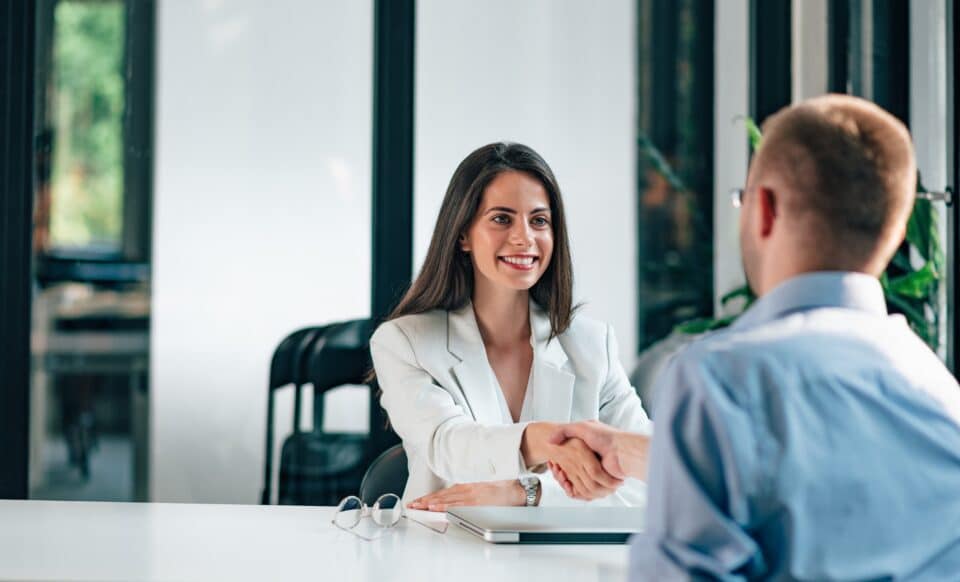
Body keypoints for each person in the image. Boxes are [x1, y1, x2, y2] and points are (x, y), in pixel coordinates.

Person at [550, 95, 960, 579]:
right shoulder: (938, 391)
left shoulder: (719, 380)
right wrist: (632, 452)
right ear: (891, 232)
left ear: (764, 208)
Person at [369, 142, 652, 511]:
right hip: (444, 557)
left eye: (539, 220)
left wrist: (528, 493)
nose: (524, 237)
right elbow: (447, 445)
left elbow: (652, 478)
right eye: (502, 218)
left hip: (562, 565)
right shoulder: (404, 342)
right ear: (463, 235)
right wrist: (551, 440)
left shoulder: (593, 343)